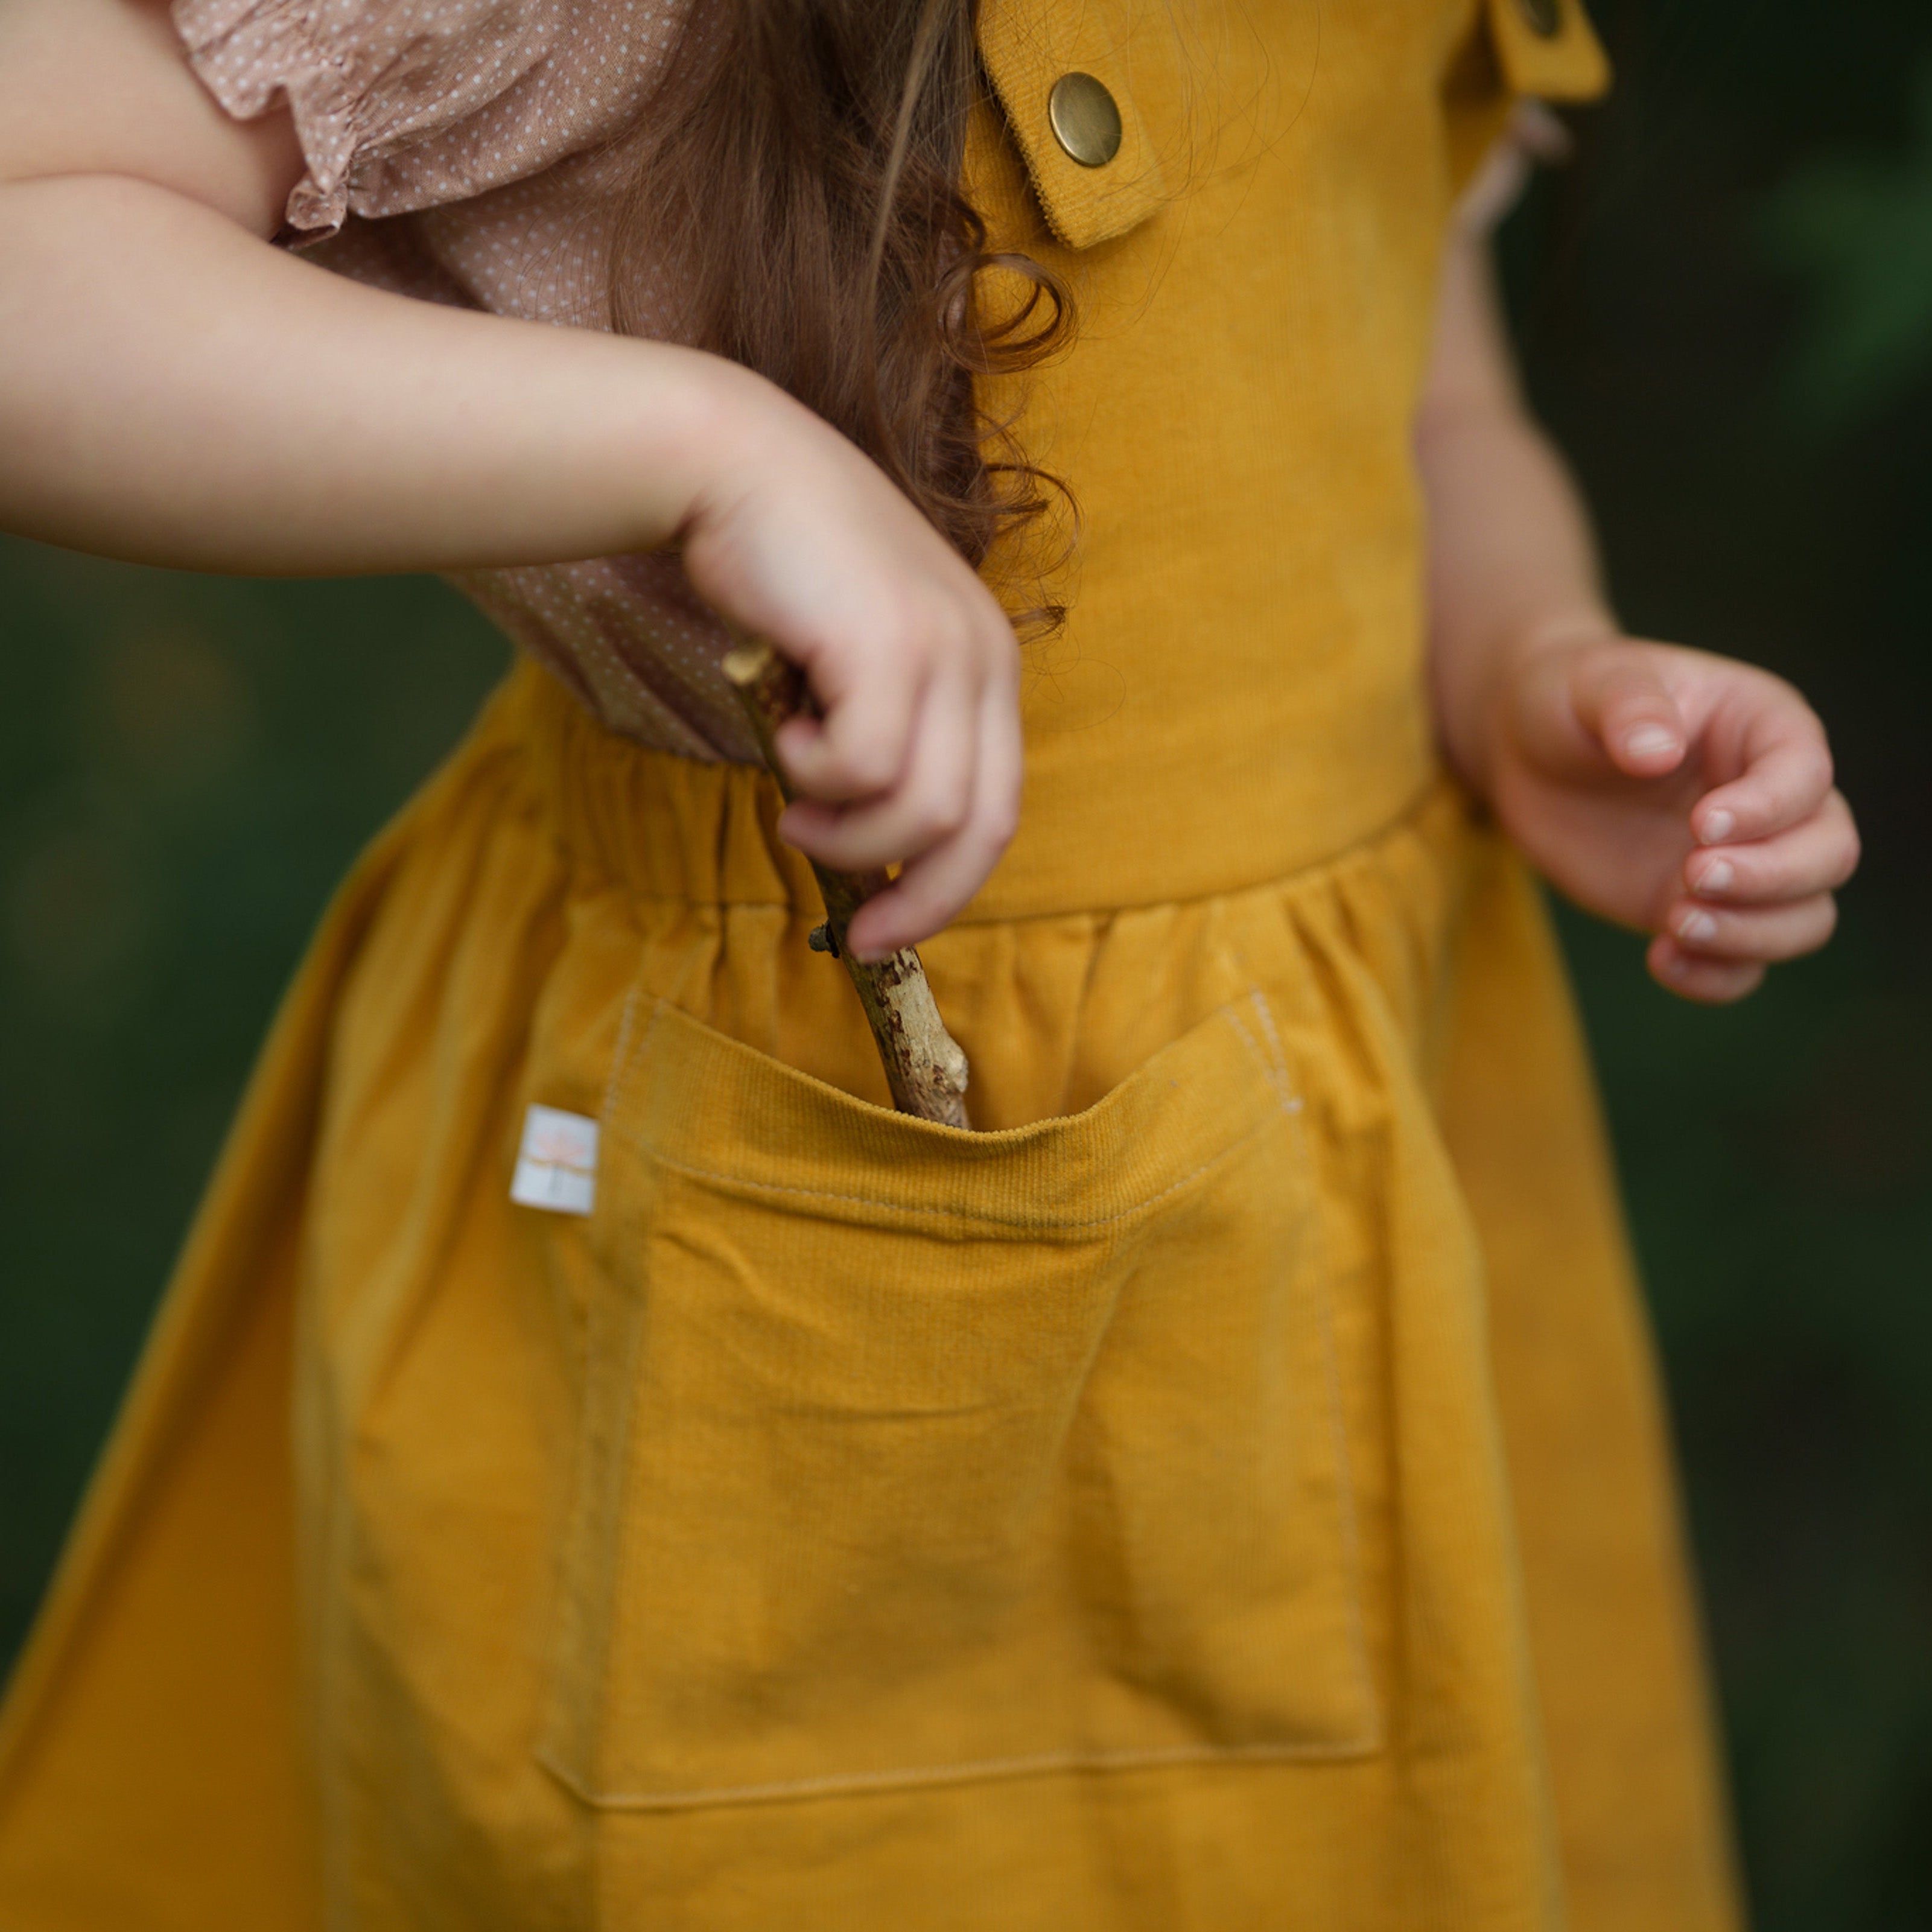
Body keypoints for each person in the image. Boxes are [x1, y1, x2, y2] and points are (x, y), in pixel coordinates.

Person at [0, 0, 1859, 1925]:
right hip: (792, 1180)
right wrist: (701, 455)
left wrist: (1520, 656)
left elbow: (1423, 386)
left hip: (1351, 1142)